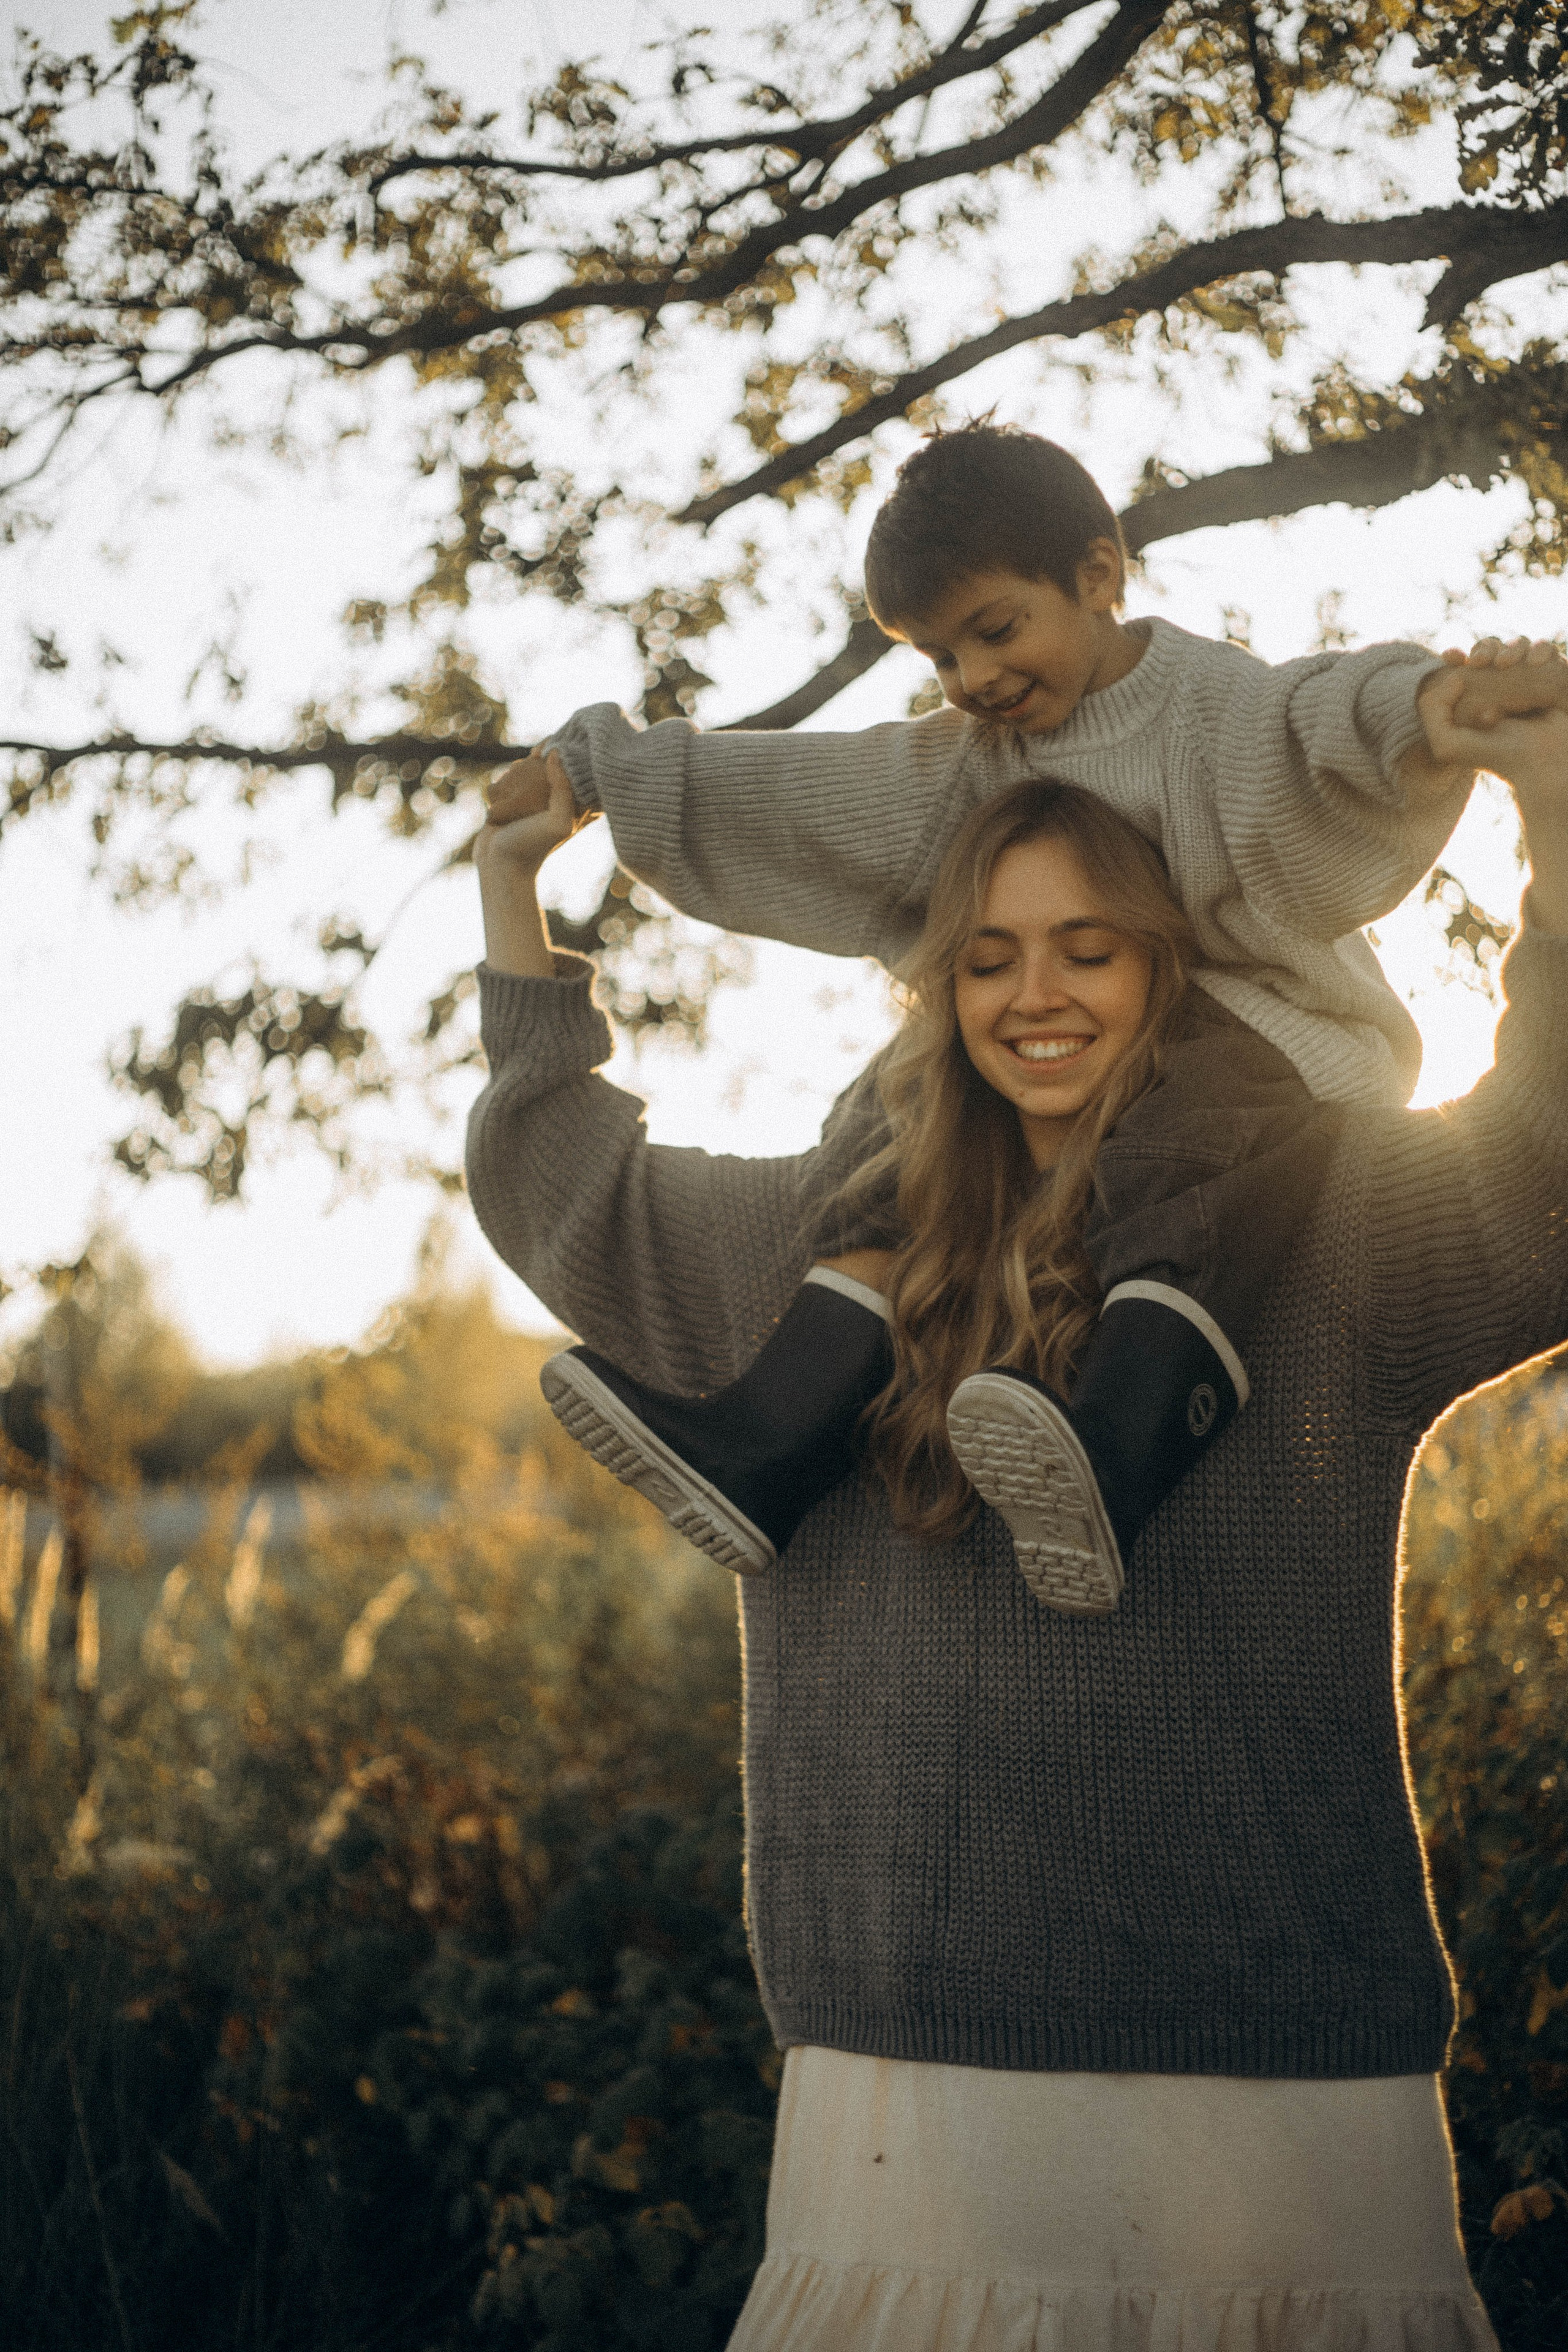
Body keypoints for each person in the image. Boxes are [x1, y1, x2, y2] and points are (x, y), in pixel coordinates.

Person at [467, 637, 1566, 2346]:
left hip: (1270, 2058)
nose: (1035, 993)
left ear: (1170, 968)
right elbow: (562, 1183)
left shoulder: (1330, 1223)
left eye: (1087, 949)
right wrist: (512, 894)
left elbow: (1547, 1158)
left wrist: (1547, 808)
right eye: (985, 959)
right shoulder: (818, 1253)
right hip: (913, 2073)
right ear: (938, 991)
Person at [505, 424, 1564, 1613]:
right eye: (939, 656)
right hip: (1087, 1063)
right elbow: (797, 792)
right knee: (894, 1103)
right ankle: (767, 1440)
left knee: (1179, 1112)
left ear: (1099, 578)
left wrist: (1433, 703)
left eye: (995, 631)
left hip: (1264, 1045)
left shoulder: (1201, 706)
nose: (972, 680)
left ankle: (1120, 1441)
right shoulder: (971, 760)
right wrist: (602, 770)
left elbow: (1316, 718)